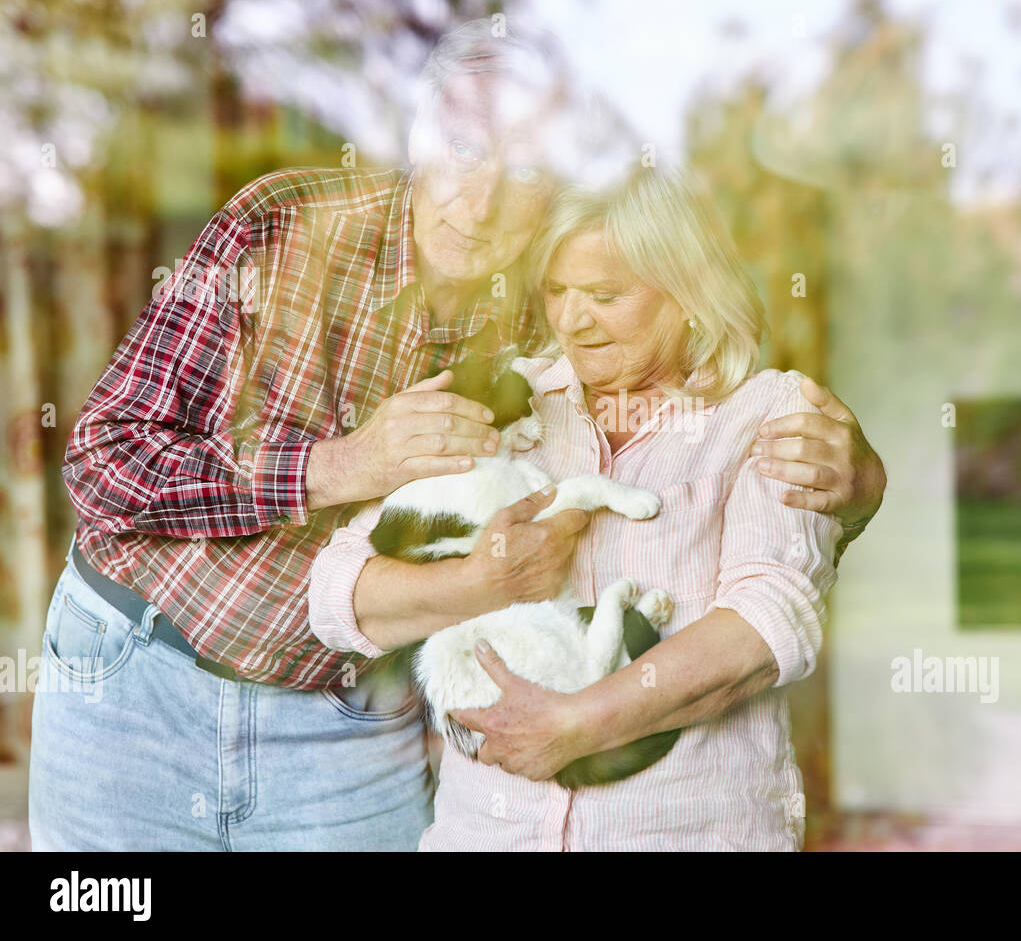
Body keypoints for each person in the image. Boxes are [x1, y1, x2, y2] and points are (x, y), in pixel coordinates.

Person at [29, 19, 884, 851]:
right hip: (140, 669)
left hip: (350, 716)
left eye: (525, 172)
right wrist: (344, 465)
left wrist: (862, 485)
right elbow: (106, 462)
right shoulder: (283, 227)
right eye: (465, 151)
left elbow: (718, 469)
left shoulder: (549, 307)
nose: (481, 203)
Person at [311, 168, 844, 850]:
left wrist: (578, 725)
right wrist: (477, 583)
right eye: (557, 291)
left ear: (689, 295)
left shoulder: (767, 412)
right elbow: (334, 594)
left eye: (604, 294)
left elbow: (770, 624)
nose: (571, 319)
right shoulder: (509, 395)